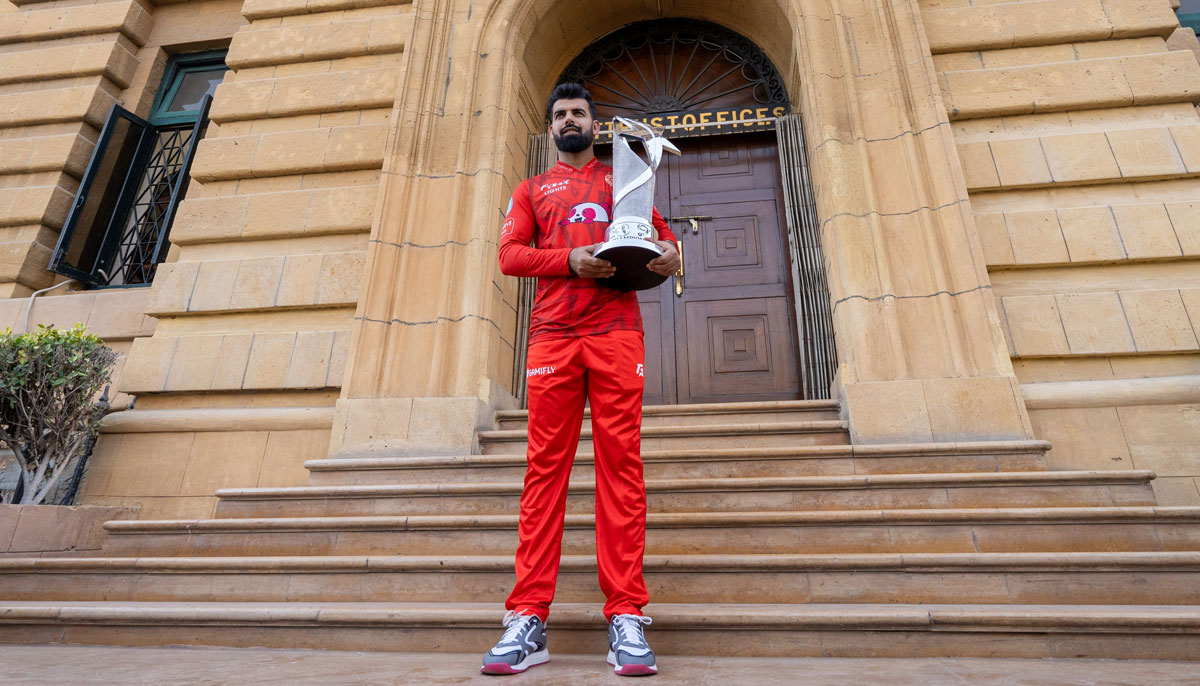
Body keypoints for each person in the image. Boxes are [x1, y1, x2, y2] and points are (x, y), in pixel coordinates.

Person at [482, 82, 681, 677]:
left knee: (622, 467)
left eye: (579, 113)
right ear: (550, 130)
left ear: (594, 125)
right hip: (553, 337)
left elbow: (659, 241)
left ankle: (626, 613)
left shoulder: (625, 179)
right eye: (561, 114)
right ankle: (527, 618)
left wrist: (673, 256)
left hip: (617, 332)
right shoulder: (532, 190)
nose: (570, 120)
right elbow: (511, 256)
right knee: (546, 472)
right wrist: (566, 259)